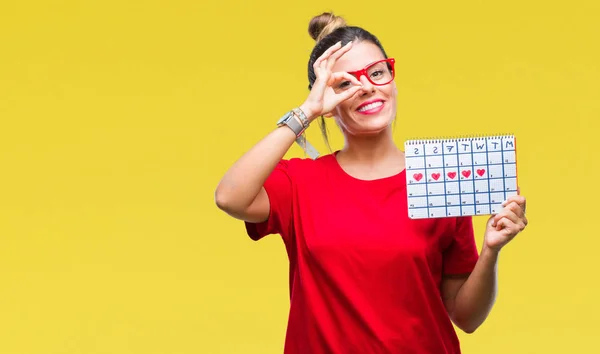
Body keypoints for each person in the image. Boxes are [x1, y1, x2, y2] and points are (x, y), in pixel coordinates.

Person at [214, 12, 528, 354]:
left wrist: (492, 250)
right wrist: (306, 111)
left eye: (377, 73)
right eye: (345, 83)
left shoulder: (438, 178)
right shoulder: (299, 183)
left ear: (392, 78)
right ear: (328, 103)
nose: (367, 87)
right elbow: (230, 196)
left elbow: (466, 317)